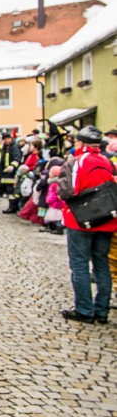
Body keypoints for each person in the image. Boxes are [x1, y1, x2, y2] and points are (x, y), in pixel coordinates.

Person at [57, 126, 117, 324]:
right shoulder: (108, 161)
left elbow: (67, 190)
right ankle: (101, 310)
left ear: (81, 143)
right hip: (107, 219)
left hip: (80, 220)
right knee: (101, 265)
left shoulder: (76, 161)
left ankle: (84, 309)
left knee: (80, 265)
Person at [0, 132, 22, 213]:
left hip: (12, 172)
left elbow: (17, 158)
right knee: (9, 191)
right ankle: (11, 206)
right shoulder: (5, 148)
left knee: (11, 190)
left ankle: (13, 207)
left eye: (8, 139)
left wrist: (12, 166)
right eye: (5, 139)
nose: (7, 140)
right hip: (6, 172)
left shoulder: (14, 147)